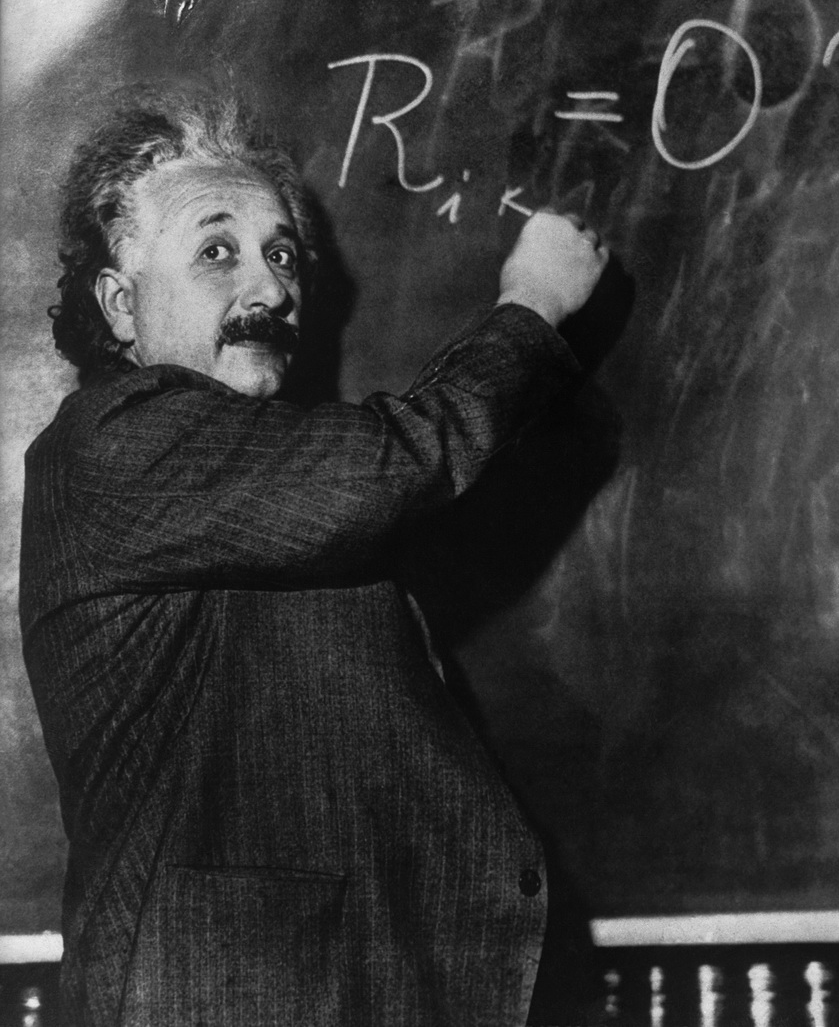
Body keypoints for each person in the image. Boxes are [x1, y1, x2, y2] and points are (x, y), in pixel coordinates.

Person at [19, 89, 609, 1027]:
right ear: (121, 304)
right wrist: (532, 302)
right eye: (217, 252)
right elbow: (399, 462)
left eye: (283, 254)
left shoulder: (263, 479)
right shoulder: (113, 445)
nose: (270, 290)